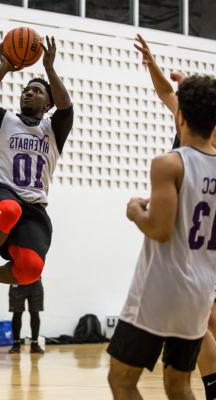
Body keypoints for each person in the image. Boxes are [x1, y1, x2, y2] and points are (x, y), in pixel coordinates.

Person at [107, 75, 216, 400]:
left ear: (179, 115)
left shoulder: (169, 163)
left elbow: (159, 228)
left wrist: (134, 209)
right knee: (178, 384)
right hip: (199, 293)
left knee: (121, 381)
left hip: (160, 291)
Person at [0, 36, 73, 315]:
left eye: (36, 91)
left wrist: (49, 69)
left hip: (34, 207)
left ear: (48, 105)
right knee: (9, 209)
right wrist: (4, 67)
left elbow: (67, 107)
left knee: (30, 270)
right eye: (25, 90)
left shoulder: (54, 130)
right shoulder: (4, 120)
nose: (28, 93)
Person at [134, 33, 216, 400]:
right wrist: (153, 66)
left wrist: (137, 212)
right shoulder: (196, 133)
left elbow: (169, 95)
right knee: (206, 322)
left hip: (191, 248)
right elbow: (167, 93)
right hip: (197, 245)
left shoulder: (193, 152)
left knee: (203, 324)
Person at [8, 279, 45, 354]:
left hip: (35, 282)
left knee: (35, 312)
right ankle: (16, 344)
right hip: (17, 281)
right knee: (17, 313)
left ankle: (35, 344)